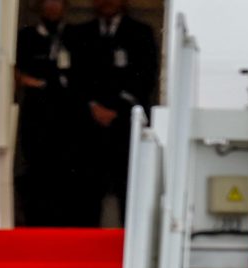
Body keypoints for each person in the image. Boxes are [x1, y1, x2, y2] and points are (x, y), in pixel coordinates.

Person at [68, 0, 157, 225]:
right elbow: (74, 77)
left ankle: (131, 242)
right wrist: (92, 106)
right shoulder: (80, 33)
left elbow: (146, 77)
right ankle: (85, 242)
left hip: (126, 122)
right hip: (88, 122)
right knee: (87, 185)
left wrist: (117, 108)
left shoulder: (141, 32)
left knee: (128, 184)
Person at [14, 0, 84, 227]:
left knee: (67, 173)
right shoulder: (25, 37)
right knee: (37, 171)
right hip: (36, 117)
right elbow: (16, 73)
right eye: (48, 2)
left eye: (58, 2)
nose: (53, 7)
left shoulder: (75, 35)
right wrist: (33, 83)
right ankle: (36, 223)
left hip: (69, 117)